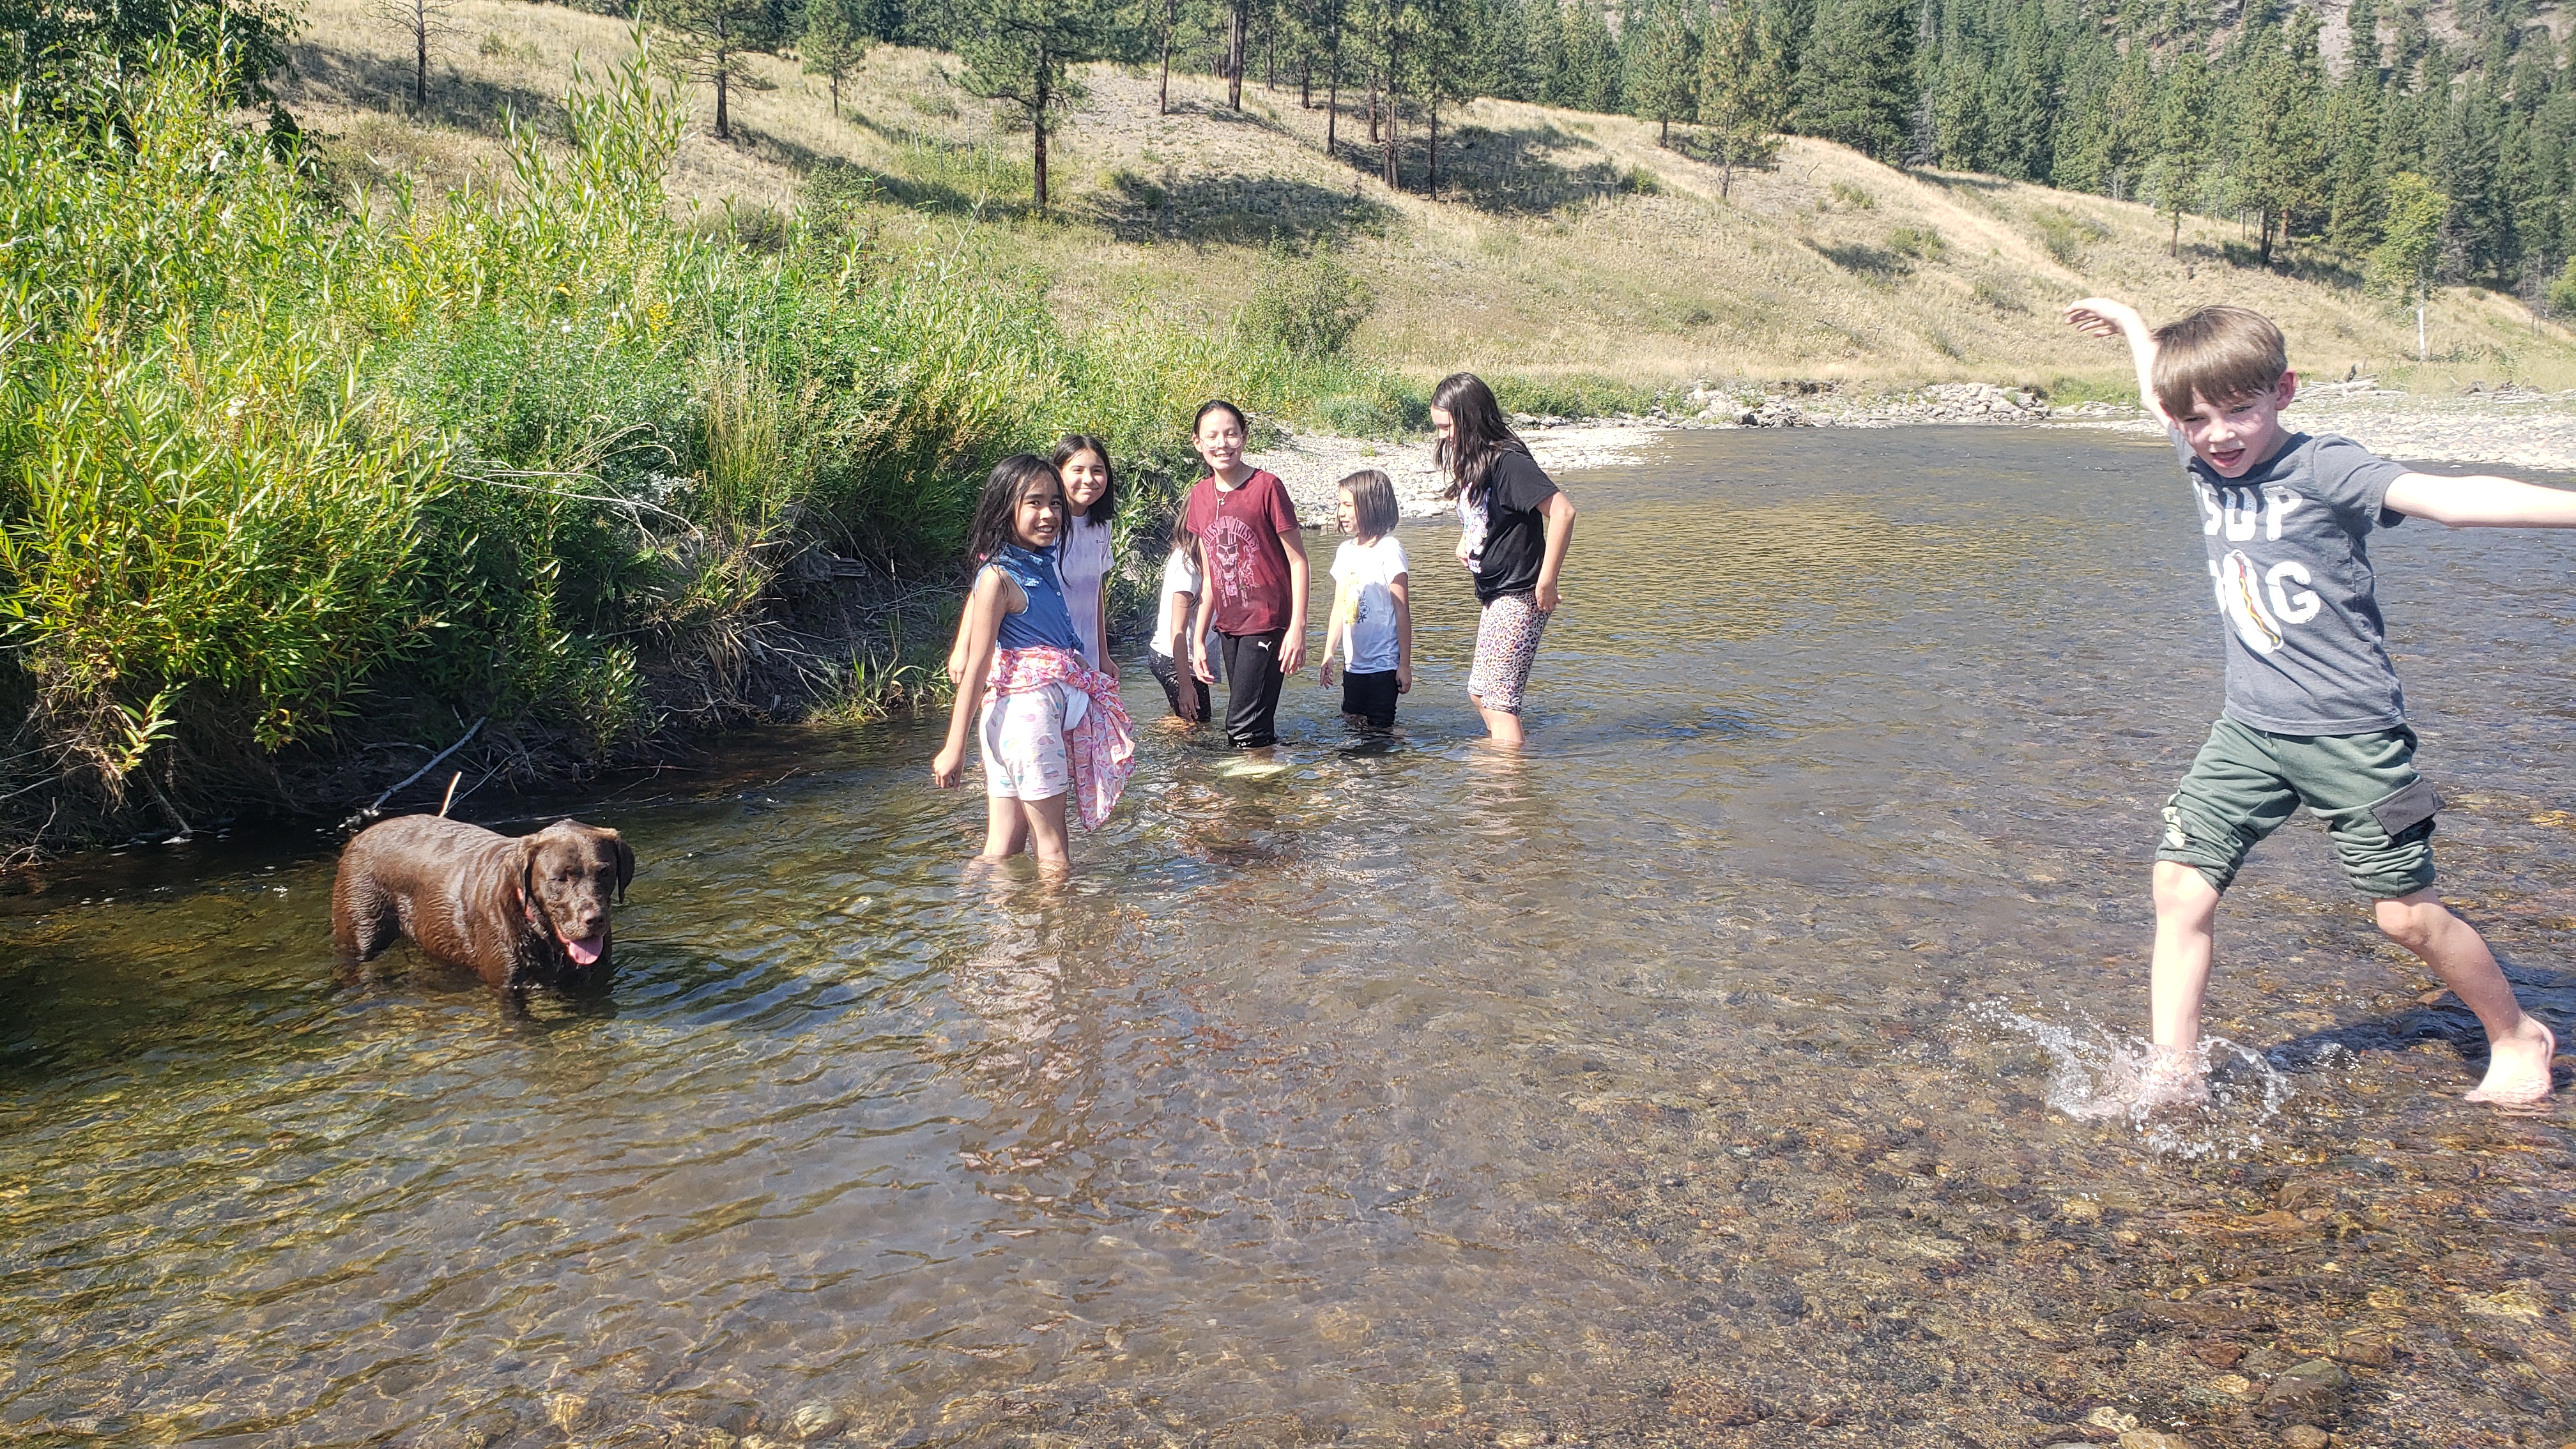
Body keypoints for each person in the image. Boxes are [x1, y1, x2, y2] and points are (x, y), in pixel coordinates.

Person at [2066, 296, 2570, 1107]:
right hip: (2249, 731)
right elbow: (2157, 395)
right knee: (2180, 886)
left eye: (2241, 410)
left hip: (2353, 738)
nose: (2220, 433)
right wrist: (2133, 326)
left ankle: (2516, 1036)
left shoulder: (2326, 467)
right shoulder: (2199, 454)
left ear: (2284, 391)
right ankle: (2174, 1073)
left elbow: (2454, 500)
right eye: (2197, 419)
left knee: (2405, 919)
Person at [931, 455, 1137, 874]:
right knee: (1054, 851)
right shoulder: (1000, 578)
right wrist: (954, 748)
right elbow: (976, 666)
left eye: (1055, 504)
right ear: (1005, 508)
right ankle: (1058, 938)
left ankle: (981, 922)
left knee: (1004, 848)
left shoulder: (1036, 564)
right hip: (1029, 720)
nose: (1049, 514)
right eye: (1034, 503)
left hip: (1014, 723)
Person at [1432, 372, 1576, 748]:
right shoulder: (1477, 460)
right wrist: (1468, 540)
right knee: (1480, 694)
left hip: (1521, 594)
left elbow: (1563, 512)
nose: (1443, 436)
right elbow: (1490, 513)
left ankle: (1509, 794)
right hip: (1496, 594)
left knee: (1500, 703)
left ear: (1469, 419)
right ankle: (1507, 770)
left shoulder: (1509, 462)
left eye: (1447, 426)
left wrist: (1547, 581)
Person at [1184, 400, 1310, 752]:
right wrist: (1198, 638)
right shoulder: (1199, 495)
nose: (1222, 444)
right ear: (1198, 443)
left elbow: (1299, 562)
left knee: (1241, 725)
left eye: (1231, 434)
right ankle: (1266, 796)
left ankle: (1243, 802)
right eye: (1212, 436)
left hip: (1267, 620)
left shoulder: (1267, 487)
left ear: (1244, 437)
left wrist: (1297, 627)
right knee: (1256, 723)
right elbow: (1210, 575)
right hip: (1229, 624)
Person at [1315, 469, 1413, 733]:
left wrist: (1404, 665)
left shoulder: (1389, 550)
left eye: (1348, 505)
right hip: (1353, 664)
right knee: (1352, 724)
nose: (1340, 513)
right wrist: (1329, 654)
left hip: (1384, 664)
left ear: (1371, 506)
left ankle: (1388, 772)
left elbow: (1401, 610)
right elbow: (1340, 607)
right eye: (1340, 505)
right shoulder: (1345, 551)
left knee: (1380, 732)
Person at [1052, 434, 1119, 680]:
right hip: (1049, 657)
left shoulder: (1101, 526)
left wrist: (1103, 656)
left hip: (1088, 657)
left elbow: (1095, 594)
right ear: (1058, 474)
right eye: (1077, 470)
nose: (1089, 480)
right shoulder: (1046, 525)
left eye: (1097, 471)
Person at [1149, 512, 1219, 723]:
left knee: (1195, 719)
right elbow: (1177, 630)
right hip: (1172, 658)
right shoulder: (1187, 564)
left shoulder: (1204, 560)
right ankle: (1153, 736)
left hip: (1185, 659)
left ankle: (1169, 726)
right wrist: (1186, 685)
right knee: (1197, 720)